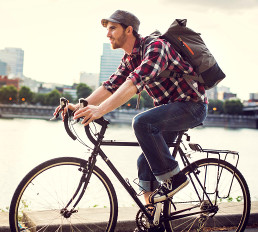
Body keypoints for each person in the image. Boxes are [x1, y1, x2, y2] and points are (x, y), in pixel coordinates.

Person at [54, 9, 207, 230]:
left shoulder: (155, 47)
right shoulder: (130, 58)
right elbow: (111, 85)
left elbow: (133, 83)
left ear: (129, 30)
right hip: (169, 110)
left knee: (142, 122)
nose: (108, 34)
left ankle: (176, 179)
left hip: (192, 107)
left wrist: (99, 111)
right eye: (107, 29)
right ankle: (156, 222)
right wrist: (81, 106)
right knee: (144, 163)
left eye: (112, 28)